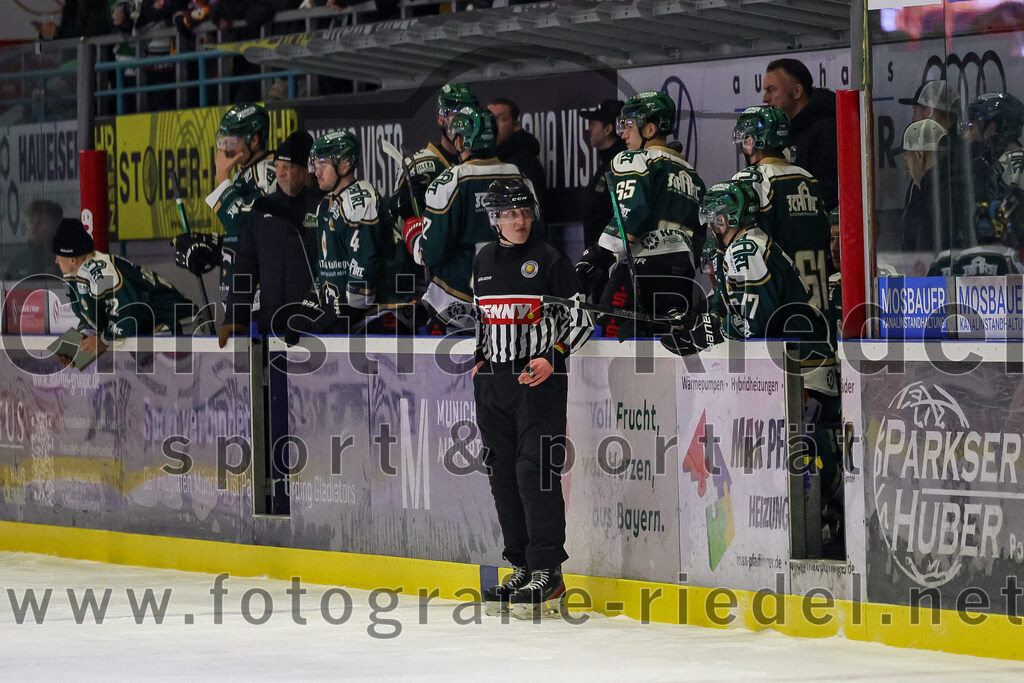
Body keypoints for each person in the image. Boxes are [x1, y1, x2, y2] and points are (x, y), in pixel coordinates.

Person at [660, 180, 842, 556]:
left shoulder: (746, 249)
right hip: (789, 364)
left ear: (732, 217)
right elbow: (729, 314)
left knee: (805, 443)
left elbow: (752, 327)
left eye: (717, 219)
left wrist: (711, 333)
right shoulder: (743, 248)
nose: (714, 226)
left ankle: (838, 504)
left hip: (801, 364)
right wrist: (692, 329)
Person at [472, 177, 593, 620]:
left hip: (538, 381)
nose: (518, 220)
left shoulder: (550, 260)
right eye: (509, 213)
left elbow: (581, 322)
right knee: (502, 474)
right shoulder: (483, 259)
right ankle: (522, 566)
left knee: (533, 471)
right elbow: (482, 319)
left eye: (523, 212)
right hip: (493, 386)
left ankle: (548, 570)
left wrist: (552, 355)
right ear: (495, 219)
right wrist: (480, 358)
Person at [575, 90, 706, 340]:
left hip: (639, 273)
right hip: (681, 275)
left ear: (649, 129)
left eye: (628, 125)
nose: (622, 133)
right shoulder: (692, 175)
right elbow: (700, 236)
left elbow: (631, 213)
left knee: (610, 343)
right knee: (667, 348)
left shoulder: (636, 160)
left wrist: (596, 257)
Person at [405, 106, 536, 332]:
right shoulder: (521, 177)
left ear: (459, 141)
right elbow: (537, 238)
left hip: (457, 310)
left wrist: (415, 233)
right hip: (511, 307)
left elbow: (430, 253)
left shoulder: (449, 181)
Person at [295, 129, 405, 339]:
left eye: (323, 165)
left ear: (345, 164)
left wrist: (337, 313)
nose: (316, 172)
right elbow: (326, 266)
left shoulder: (361, 200)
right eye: (315, 165)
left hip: (379, 315)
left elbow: (364, 272)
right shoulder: (324, 206)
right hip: (348, 316)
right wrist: (310, 304)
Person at [219, 129, 322, 346]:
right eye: (277, 167)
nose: (281, 173)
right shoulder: (262, 209)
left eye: (288, 167)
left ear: (307, 171)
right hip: (271, 330)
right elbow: (246, 266)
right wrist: (234, 317)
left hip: (314, 331)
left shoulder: (325, 208)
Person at [176, 103, 277, 305]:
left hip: (260, 297)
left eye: (231, 141)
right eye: (221, 141)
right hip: (239, 298)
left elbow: (248, 227)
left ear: (254, 140)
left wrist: (222, 178)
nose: (223, 148)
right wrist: (211, 245)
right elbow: (239, 238)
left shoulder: (268, 173)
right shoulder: (243, 173)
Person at [53, 219, 196, 360]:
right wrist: (74, 349)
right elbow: (95, 321)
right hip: (158, 327)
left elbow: (132, 314)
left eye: (58, 255)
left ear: (72, 259)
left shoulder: (100, 272)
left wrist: (103, 340)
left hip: (179, 323)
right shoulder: (81, 276)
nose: (56, 261)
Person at [761, 58, 838, 211]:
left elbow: (829, 194)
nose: (765, 98)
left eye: (771, 89)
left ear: (797, 91)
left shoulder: (826, 130)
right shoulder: (781, 132)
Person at [579, 98, 627, 300]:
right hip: (602, 265)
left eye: (594, 124)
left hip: (614, 267)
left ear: (608, 129)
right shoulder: (608, 162)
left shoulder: (622, 164)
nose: (589, 129)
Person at [901, 119, 971, 253]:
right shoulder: (953, 185)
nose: (906, 169)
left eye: (906, 160)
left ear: (919, 155)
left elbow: (926, 258)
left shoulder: (941, 197)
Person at [488, 97, 548, 227]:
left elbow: (534, 213)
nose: (494, 125)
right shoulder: (489, 161)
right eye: (489, 119)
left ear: (516, 126)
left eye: (502, 119)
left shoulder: (523, 162)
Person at [3, 199, 63, 280]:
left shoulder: (64, 260)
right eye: (31, 221)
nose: (35, 226)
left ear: (55, 226)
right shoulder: (19, 260)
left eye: (42, 222)